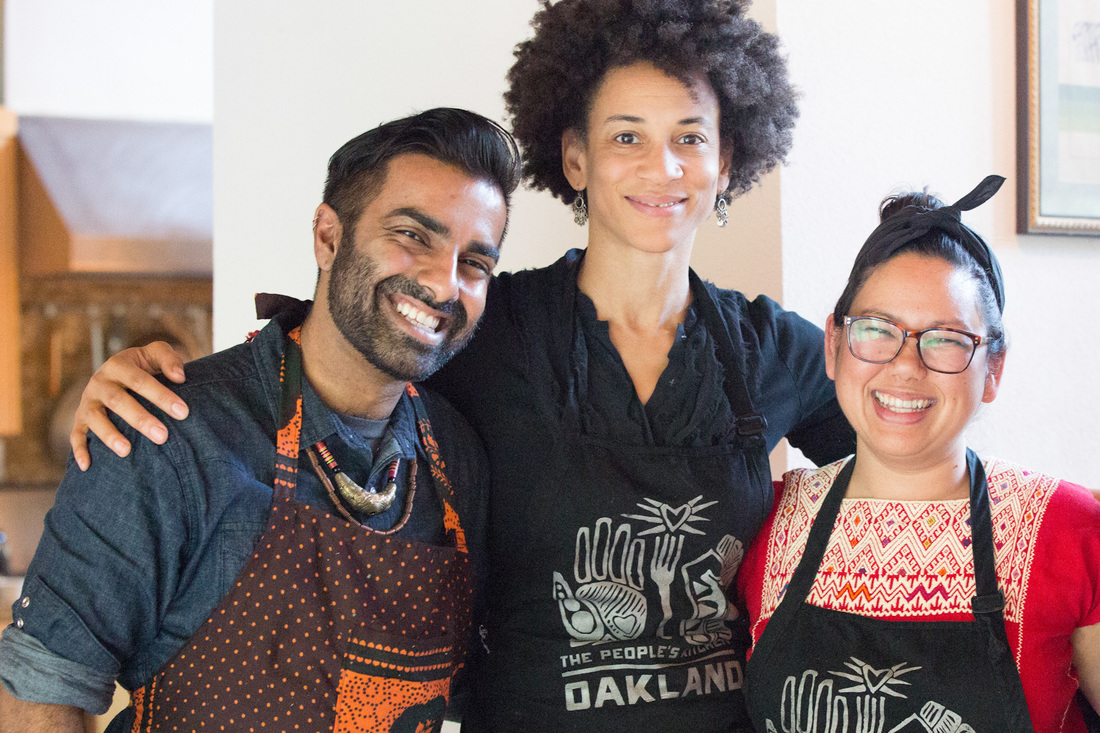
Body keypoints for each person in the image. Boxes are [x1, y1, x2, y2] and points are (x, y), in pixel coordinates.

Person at [63, 1, 857, 730]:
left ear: (728, 161)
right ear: (575, 158)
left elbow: (898, 457)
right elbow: (329, 362)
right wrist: (151, 377)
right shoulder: (481, 322)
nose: (664, 166)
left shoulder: (773, 348)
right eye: (626, 136)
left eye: (691, 137)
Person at [0, 107, 521, 732]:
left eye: (475, 263)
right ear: (329, 237)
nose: (444, 282)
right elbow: (43, 686)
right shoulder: (169, 430)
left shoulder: (456, 460)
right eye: (413, 236)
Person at [738, 176, 1100, 732]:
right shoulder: (768, 519)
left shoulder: (1071, 530)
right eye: (878, 330)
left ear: (993, 371)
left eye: (946, 338)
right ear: (833, 345)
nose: (906, 365)